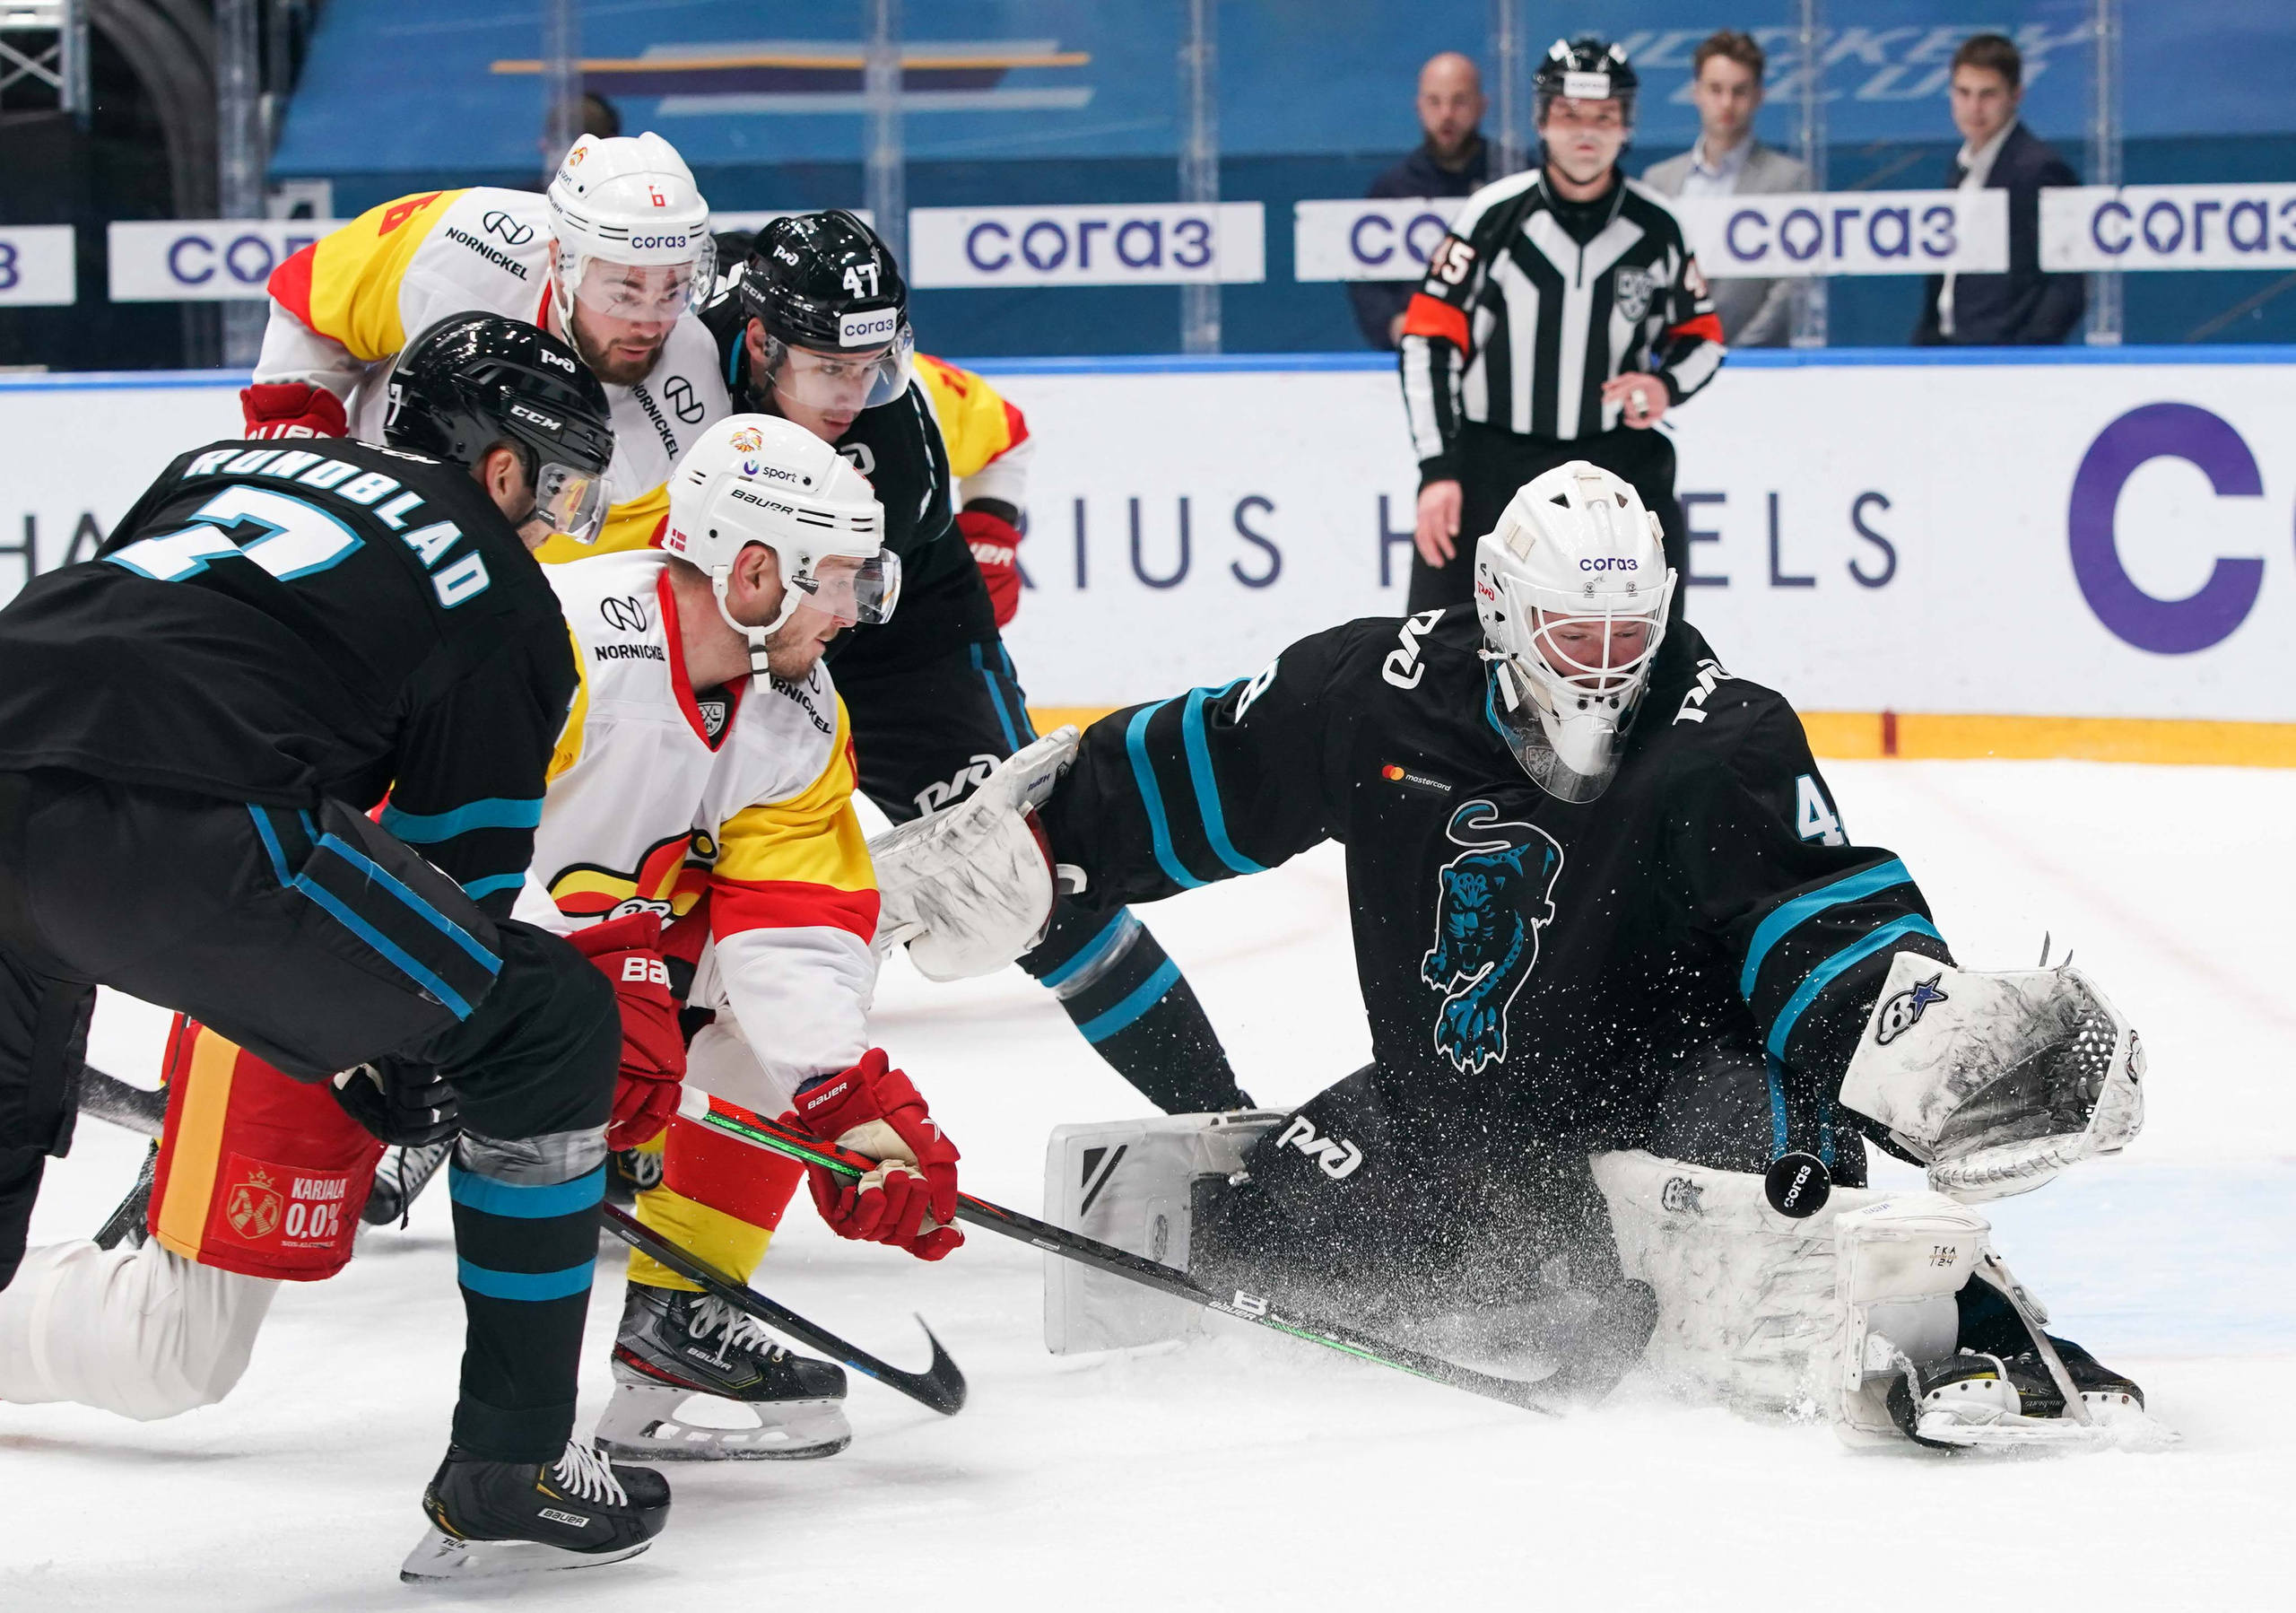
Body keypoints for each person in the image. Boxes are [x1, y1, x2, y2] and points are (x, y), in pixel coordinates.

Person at [973, 460, 2150, 1442]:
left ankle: (1959, 1311)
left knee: (1763, 1246)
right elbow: (1217, 766)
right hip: (1465, 1121)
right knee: (1266, 1235)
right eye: (1570, 629)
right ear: (1497, 605)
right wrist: (1031, 840)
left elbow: (1823, 917)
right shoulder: (1374, 694)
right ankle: (1584, 1271)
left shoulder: (1723, 736)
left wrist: (1932, 1049)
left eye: (1627, 631)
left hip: (1686, 1109)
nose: (1602, 660)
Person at [1, 415, 968, 1469]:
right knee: (171, 1353)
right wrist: (603, 980)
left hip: (499, 1010)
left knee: (736, 995)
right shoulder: (558, 637)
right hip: (316, 971)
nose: (854, 612)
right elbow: (441, 851)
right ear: (753, 569)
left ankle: (678, 1324)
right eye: (836, 579)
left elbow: (797, 919)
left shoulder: (799, 713)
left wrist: (839, 1100)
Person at [0, 314, 675, 1580]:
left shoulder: (215, 463)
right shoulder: (503, 588)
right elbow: (450, 906)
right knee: (549, 1022)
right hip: (189, 823)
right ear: (501, 466)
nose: (556, 521)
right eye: (561, 486)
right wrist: (393, 1055)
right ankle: (511, 1454)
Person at [703, 211, 1251, 1117]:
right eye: (829, 370)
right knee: (656, 877)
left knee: (1038, 880)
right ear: (759, 342)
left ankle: (1221, 1119)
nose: (853, 393)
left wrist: (991, 535)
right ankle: (599, 1116)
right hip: (737, 630)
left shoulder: (897, 433)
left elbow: (1000, 428)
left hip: (897, 633)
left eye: (871, 367)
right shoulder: (676, 366)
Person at [244, 131, 728, 553]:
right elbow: (311, 300)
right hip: (366, 506)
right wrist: (298, 447)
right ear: (562, 261)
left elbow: (634, 570)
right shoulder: (457, 241)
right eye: (624, 293)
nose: (651, 324)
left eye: (674, 291)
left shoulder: (693, 400)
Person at [1400, 38, 1722, 619]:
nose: (1586, 132)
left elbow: (1702, 339)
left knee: (1649, 638)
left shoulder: (1659, 229)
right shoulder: (1492, 217)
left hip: (1615, 465)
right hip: (1488, 464)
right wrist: (1439, 470)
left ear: (1626, 125)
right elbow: (1428, 339)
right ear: (1542, 120)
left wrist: (1663, 387)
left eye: (1603, 117)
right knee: (1436, 649)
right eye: (1570, 114)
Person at [1912, 33, 2085, 347]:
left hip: (2004, 354)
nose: (1974, 108)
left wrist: (2027, 352)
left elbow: (2068, 283)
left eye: (1987, 94)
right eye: (1963, 93)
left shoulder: (2038, 169)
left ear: (2015, 95)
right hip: (1949, 348)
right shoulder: (1962, 165)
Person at [1639, 31, 1811, 348]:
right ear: (1696, 93)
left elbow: (1791, 285)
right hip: (1672, 357)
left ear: (1759, 95)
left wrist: (1736, 354)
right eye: (1715, 89)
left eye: (1739, 91)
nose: (1727, 103)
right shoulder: (1660, 180)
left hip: (1756, 365)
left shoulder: (1789, 179)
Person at [1350, 51, 1492, 353]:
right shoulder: (1391, 188)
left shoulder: (1512, 178)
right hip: (1418, 353)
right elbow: (1366, 282)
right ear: (1419, 107)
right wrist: (1392, 324)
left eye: (1459, 101)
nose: (1446, 114)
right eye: (1434, 101)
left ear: (1481, 106)